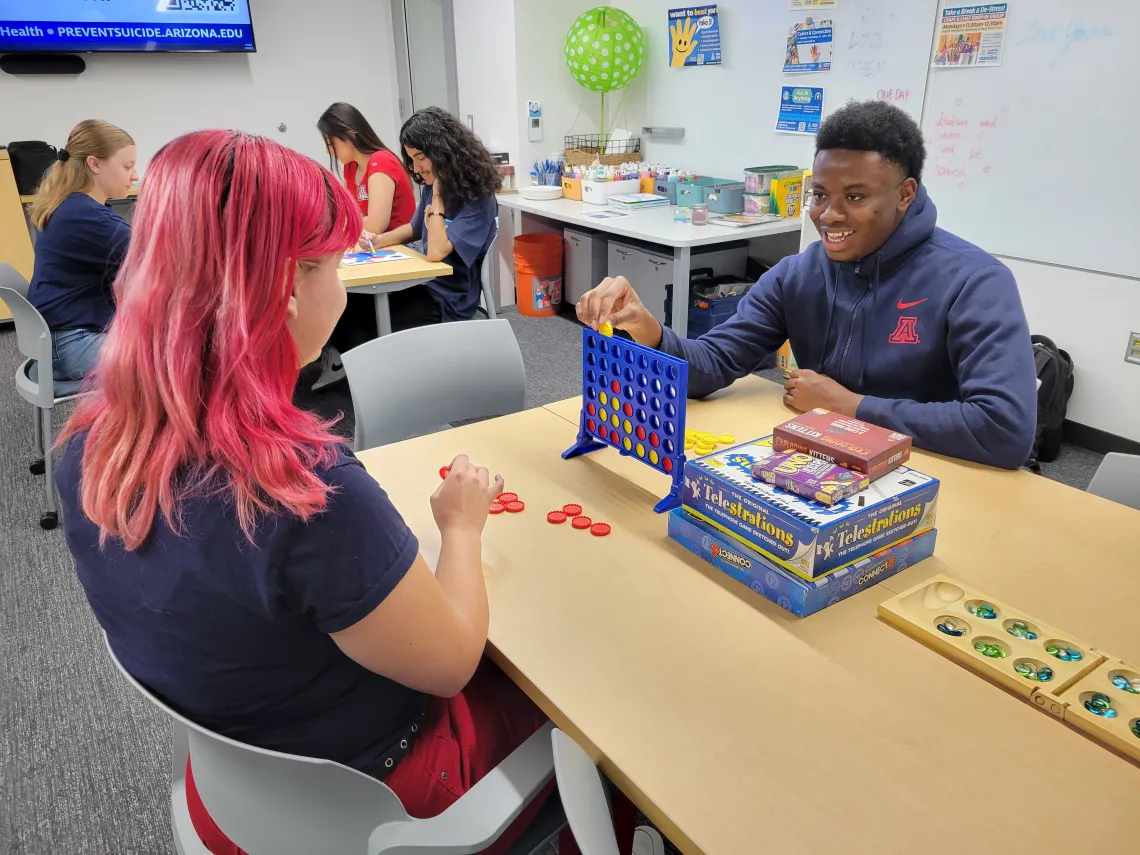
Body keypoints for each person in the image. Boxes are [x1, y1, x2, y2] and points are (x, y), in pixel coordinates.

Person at [56, 129, 624, 855]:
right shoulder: (302, 486)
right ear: (289, 287)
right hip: (381, 801)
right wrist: (459, 527)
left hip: (236, 793)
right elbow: (451, 661)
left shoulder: (91, 437)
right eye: (338, 261)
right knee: (599, 704)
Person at [576, 101, 1037, 469]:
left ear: (904, 194)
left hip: (936, 478)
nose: (829, 215)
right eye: (819, 195)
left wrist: (851, 406)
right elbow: (713, 363)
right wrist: (648, 329)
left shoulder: (975, 283)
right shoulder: (799, 274)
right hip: (825, 470)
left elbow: (1003, 430)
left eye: (854, 197)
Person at [307, 102, 419, 390]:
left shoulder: (381, 162)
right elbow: (350, 218)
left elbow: (375, 225)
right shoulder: (352, 167)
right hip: (371, 250)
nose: (331, 151)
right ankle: (340, 354)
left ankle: (355, 361)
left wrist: (346, 230)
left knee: (331, 286)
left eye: (332, 143)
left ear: (350, 135)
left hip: (396, 252)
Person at [365, 106, 499, 330]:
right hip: (424, 285)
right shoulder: (433, 180)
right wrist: (378, 241)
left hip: (450, 299)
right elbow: (415, 228)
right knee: (357, 309)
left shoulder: (478, 196)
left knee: (367, 324)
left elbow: (436, 252)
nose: (417, 169)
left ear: (443, 153)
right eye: (411, 159)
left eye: (421, 157)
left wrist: (437, 196)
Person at [26, 119, 137, 382]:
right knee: (185, 361)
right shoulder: (87, 218)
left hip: (56, 340)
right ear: (94, 164)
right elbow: (156, 262)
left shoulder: (69, 204)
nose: (135, 176)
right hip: (71, 346)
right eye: (127, 166)